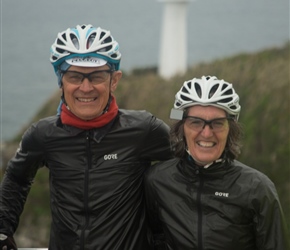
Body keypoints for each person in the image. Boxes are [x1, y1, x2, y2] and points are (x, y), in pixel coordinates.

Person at [0, 24, 172, 250]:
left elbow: (189, 169)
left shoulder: (144, 130)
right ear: (60, 81)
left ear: (114, 80)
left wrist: (164, 238)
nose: (86, 87)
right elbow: (16, 179)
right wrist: (3, 230)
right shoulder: (43, 135)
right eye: (74, 76)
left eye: (97, 76)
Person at [144, 76, 289, 250]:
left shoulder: (258, 189)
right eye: (196, 122)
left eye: (217, 123)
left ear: (231, 129)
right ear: (182, 126)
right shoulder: (157, 180)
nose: (206, 133)